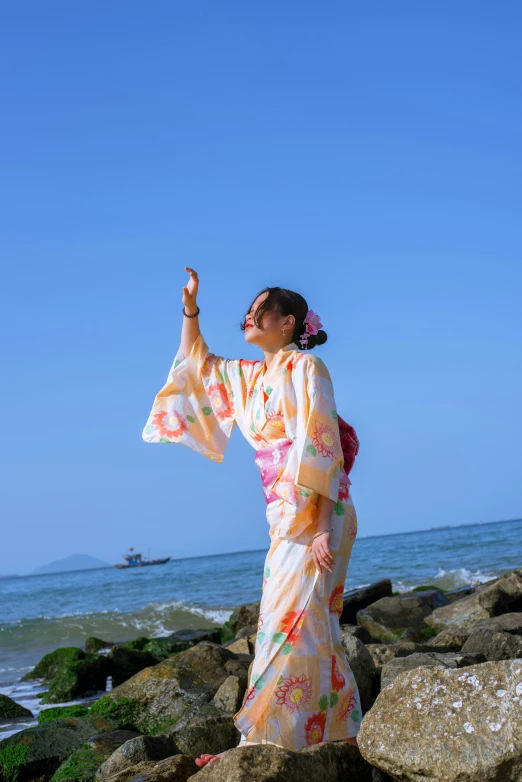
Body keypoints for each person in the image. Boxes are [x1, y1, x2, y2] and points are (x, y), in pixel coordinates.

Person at [142, 267, 362, 767]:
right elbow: (196, 362)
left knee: (290, 620)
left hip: (320, 509)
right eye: (248, 308)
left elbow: (321, 442)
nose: (248, 314)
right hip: (284, 512)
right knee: (299, 621)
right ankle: (337, 730)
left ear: (286, 323)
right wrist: (191, 308)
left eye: (260, 308)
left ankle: (261, 745)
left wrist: (324, 526)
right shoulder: (249, 376)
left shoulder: (308, 369)